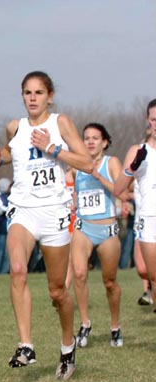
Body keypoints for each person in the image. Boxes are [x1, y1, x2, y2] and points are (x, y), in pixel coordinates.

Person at [0, 71, 92, 380]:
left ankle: (68, 346)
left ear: (50, 96)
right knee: (17, 269)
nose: (32, 98)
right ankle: (26, 345)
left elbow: (86, 162)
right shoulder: (14, 127)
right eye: (27, 93)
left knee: (57, 292)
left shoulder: (60, 124)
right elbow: (12, 150)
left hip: (54, 211)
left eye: (39, 93)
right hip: (23, 210)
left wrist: (53, 149)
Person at [70, 123, 122, 347]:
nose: (90, 142)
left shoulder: (112, 163)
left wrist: (98, 176)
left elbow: (120, 189)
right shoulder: (75, 166)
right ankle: (84, 323)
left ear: (105, 142)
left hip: (107, 230)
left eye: (95, 138)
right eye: (86, 138)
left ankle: (115, 326)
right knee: (80, 274)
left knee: (109, 282)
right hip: (84, 227)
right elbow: (75, 192)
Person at [114, 101, 156, 316]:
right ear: (148, 121)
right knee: (150, 274)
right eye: (154, 119)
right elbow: (118, 188)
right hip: (148, 218)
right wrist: (132, 168)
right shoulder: (138, 151)